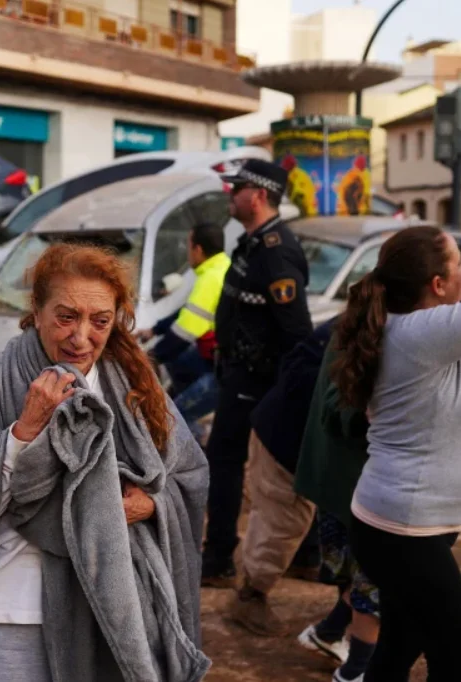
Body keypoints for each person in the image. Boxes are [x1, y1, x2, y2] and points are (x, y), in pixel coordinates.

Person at [0, 243, 211, 681]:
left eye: (99, 321)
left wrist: (151, 505)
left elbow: (187, 474)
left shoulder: (135, 385)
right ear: (37, 311)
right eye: (66, 317)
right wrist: (23, 432)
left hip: (116, 609)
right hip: (13, 606)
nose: (81, 338)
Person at [332, 225, 461, 681]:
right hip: (404, 528)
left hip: (401, 523)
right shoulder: (423, 333)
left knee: (399, 647)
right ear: (438, 285)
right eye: (458, 263)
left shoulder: (411, 332)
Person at [202, 158, 313, 587]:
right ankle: (307, 555)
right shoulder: (251, 244)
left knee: (227, 461)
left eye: (237, 189)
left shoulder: (276, 251)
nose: (230, 195)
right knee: (281, 465)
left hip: (257, 379)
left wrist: (284, 391)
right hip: (240, 375)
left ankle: (218, 559)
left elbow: (296, 332)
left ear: (259, 195)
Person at [228, 319, 334, 636]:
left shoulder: (356, 323)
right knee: (281, 520)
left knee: (290, 516)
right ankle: (250, 595)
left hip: (289, 430)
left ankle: (299, 562)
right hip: (285, 439)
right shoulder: (368, 332)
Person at [296, 330, 378, 682]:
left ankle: (329, 633)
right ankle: (356, 671)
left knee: (368, 577)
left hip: (345, 483)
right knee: (376, 583)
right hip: (363, 487)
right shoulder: (385, 333)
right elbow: (343, 410)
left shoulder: (366, 320)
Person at [138, 221, 230, 442]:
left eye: (188, 246)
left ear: (198, 250)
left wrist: (149, 357)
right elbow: (188, 312)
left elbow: (182, 335)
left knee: (174, 417)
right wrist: (155, 330)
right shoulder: (222, 267)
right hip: (213, 356)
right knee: (178, 363)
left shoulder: (210, 280)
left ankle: (201, 442)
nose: (188, 252)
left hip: (224, 368)